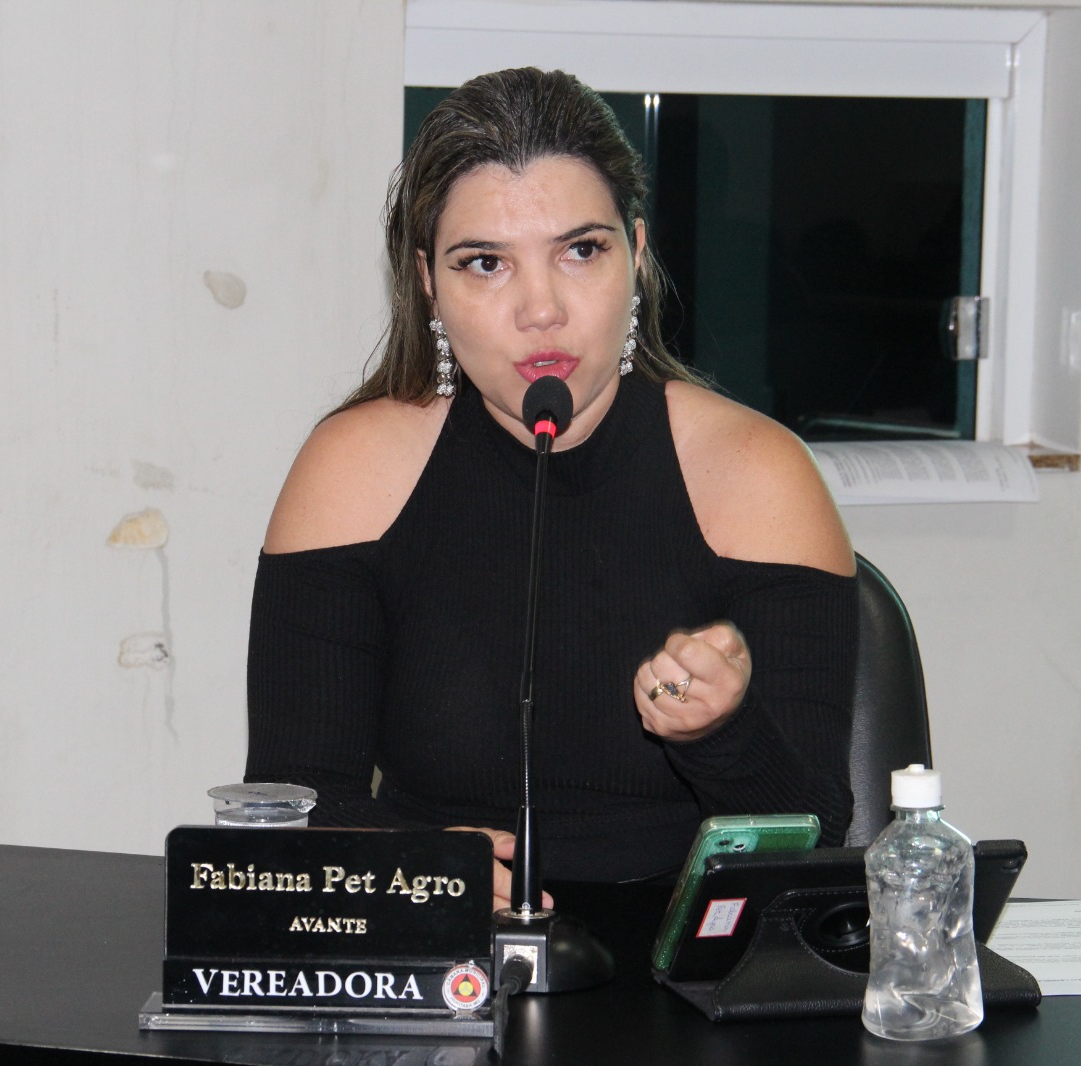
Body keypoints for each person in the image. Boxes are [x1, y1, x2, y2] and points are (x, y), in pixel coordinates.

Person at [245, 68, 857, 908]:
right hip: (437, 944)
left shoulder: (757, 471)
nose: (541, 309)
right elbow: (290, 808)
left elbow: (817, 835)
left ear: (636, 254)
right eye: (485, 263)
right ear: (428, 282)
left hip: (681, 958)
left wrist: (722, 730)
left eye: (581, 251)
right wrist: (414, 868)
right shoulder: (353, 467)